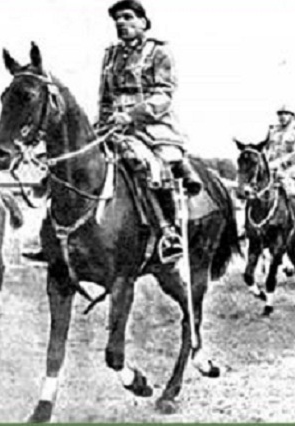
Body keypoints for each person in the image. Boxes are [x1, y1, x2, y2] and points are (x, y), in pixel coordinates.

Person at [24, 0, 199, 263]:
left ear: (143, 22)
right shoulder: (111, 55)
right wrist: (102, 123)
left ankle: (167, 233)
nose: (121, 23)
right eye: (117, 19)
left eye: (128, 17)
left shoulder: (159, 52)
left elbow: (163, 95)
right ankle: (52, 237)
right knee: (70, 162)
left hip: (152, 126)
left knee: (145, 163)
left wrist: (131, 114)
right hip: (112, 126)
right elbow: (105, 98)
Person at [262, 105, 295, 245]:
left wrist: (279, 165)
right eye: (280, 114)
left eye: (285, 114)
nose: (282, 117)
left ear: (292, 116)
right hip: (272, 169)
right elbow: (267, 149)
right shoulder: (273, 131)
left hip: (291, 171)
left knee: (292, 195)